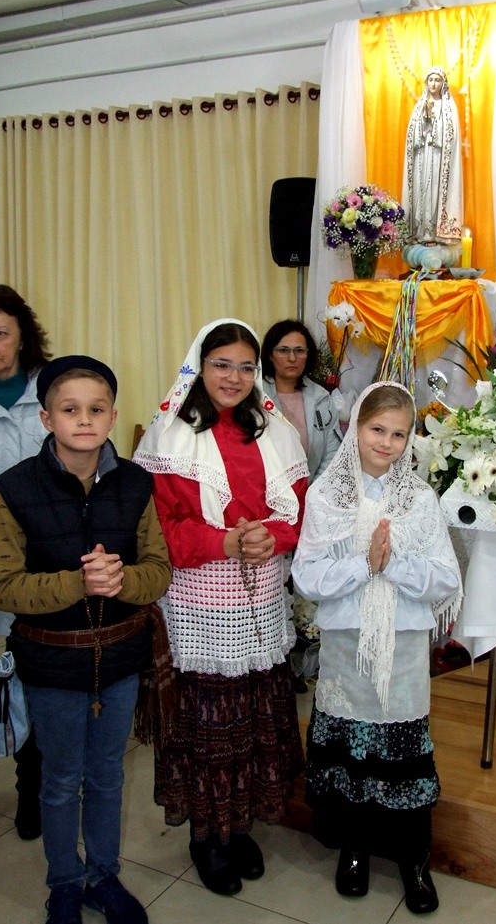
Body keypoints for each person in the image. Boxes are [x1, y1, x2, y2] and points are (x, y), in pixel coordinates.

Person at [0, 355, 172, 924]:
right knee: (61, 779)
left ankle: (103, 876)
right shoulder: (15, 489)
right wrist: (78, 583)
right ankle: (65, 883)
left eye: (97, 409)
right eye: (70, 410)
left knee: (108, 775)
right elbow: (1, 585)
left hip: (118, 658)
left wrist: (123, 581)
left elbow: (158, 569)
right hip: (51, 663)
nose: (84, 420)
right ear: (47, 419)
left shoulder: (136, 484)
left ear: (113, 417)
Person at [133, 319, 310, 897]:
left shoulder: (275, 431)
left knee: (253, 718)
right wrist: (225, 542)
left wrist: (271, 537)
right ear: (198, 367)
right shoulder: (168, 435)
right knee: (209, 725)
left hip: (262, 597)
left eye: (245, 367)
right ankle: (207, 834)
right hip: (199, 600)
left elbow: (300, 510)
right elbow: (158, 528)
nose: (233, 377)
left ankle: (238, 826)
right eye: (221, 365)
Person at [291, 381, 462, 915]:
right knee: (352, 752)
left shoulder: (420, 499)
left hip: (402, 647)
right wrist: (363, 564)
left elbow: (445, 578)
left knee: (402, 750)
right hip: (347, 644)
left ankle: (414, 858)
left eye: (398, 434)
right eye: (376, 429)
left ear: (410, 439)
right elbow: (307, 576)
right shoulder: (326, 496)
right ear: (355, 429)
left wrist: (394, 564)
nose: (386, 443)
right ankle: (355, 848)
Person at [0, 282, 52, 841]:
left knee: (31, 678)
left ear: (21, 336)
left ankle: (31, 789)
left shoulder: (54, 391)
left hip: (41, 568)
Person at [261, 319, 342, 483]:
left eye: (299, 351)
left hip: (313, 491)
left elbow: (332, 454)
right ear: (270, 355)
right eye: (283, 350)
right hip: (264, 492)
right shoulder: (256, 397)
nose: (292, 358)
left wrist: (313, 493)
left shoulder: (322, 399)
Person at [402, 66, 463, 245]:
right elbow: (412, 136)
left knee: (435, 191)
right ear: (426, 82)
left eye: (437, 80)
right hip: (422, 157)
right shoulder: (419, 106)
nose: (433, 84)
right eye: (430, 80)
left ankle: (435, 232)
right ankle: (420, 231)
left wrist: (434, 122)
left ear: (443, 83)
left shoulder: (448, 106)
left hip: (438, 158)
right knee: (421, 190)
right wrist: (424, 120)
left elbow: (451, 136)